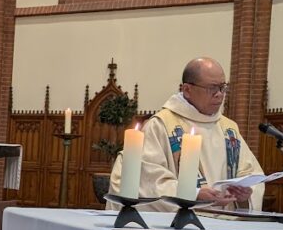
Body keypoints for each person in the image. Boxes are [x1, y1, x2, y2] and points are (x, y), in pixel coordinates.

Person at [109, 57, 264, 210]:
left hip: (226, 222)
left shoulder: (229, 129)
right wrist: (194, 194)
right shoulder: (161, 125)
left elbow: (251, 174)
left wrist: (245, 195)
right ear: (187, 90)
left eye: (223, 87)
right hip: (182, 222)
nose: (219, 94)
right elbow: (149, 181)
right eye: (212, 88)